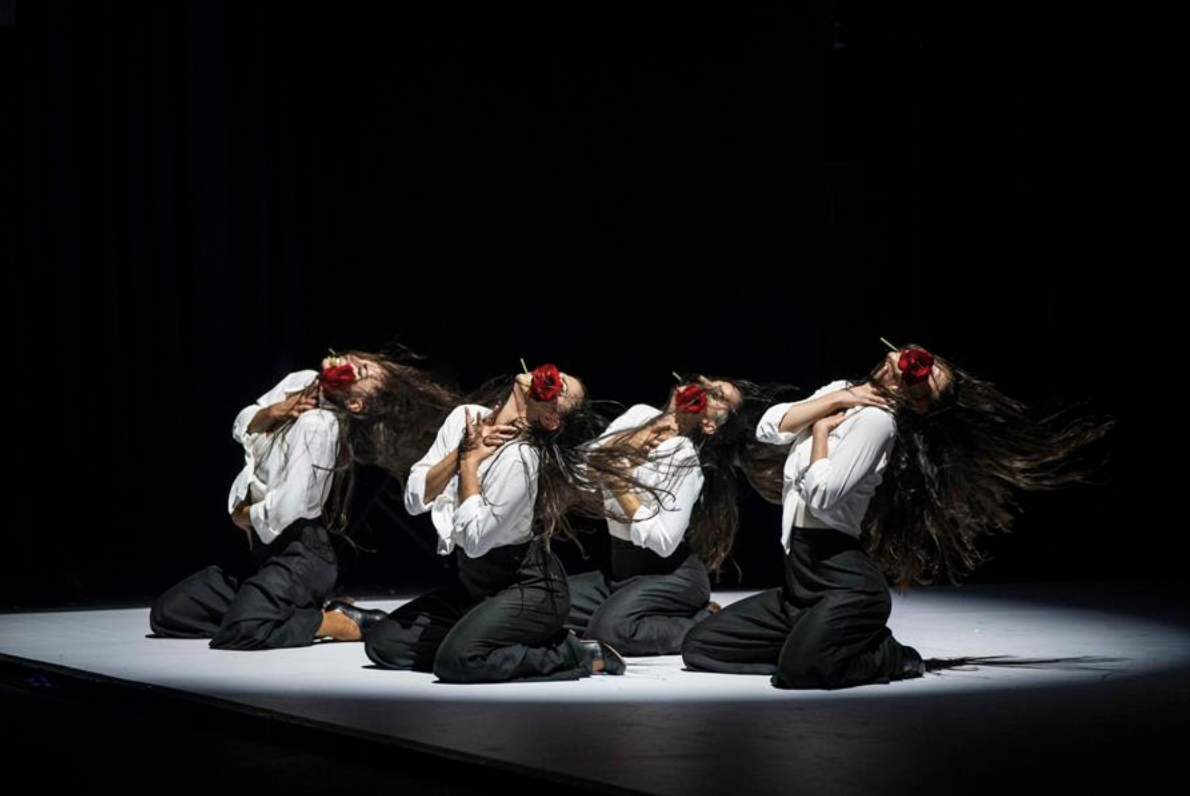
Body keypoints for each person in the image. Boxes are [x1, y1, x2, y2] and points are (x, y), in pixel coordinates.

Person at [682, 341, 1112, 689]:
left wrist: (818, 434)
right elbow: (769, 427)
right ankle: (818, 647)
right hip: (800, 580)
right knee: (701, 647)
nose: (909, 366)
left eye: (922, 377)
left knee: (798, 674)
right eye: (924, 362)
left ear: (917, 402)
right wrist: (839, 397)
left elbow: (822, 495)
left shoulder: (877, 424)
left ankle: (890, 656)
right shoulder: (843, 393)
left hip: (842, 582)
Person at [149, 349, 455, 649]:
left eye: (360, 373)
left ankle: (330, 622)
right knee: (169, 614)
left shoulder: (320, 426)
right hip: (262, 554)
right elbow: (241, 424)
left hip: (299, 555)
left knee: (244, 630)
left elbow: (287, 510)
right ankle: (276, 609)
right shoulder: (303, 381)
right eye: (360, 361)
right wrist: (273, 412)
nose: (352, 363)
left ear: (355, 404)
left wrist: (243, 515)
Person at [364, 363, 631, 681]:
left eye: (562, 391)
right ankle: (491, 638)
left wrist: (469, 465)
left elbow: (475, 542)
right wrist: (462, 451)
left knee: (457, 662)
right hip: (476, 586)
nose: (552, 381)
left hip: (527, 588)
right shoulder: (466, 417)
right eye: (556, 376)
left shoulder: (523, 457)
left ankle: (574, 653)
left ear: (550, 419)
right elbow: (414, 500)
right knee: (385, 645)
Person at [566, 375, 750, 655]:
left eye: (718, 395)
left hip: (670, 576)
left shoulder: (684, 456)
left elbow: (663, 543)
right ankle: (634, 613)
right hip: (620, 572)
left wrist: (620, 485)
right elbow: (580, 473)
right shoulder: (641, 415)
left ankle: (704, 621)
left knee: (609, 632)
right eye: (707, 382)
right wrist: (631, 440)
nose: (704, 385)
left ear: (710, 425)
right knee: (543, 603)